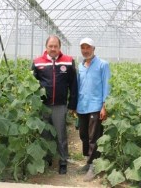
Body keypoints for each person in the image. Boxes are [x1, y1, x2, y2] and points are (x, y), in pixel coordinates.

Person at [32, 35, 78, 175]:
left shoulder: (69, 62)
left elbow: (73, 84)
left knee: (60, 134)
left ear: (59, 47)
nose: (53, 49)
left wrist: (72, 104)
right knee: (45, 133)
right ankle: (48, 158)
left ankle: (63, 161)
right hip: (43, 105)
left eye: (55, 46)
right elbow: (31, 83)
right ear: (46, 47)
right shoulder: (37, 62)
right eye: (50, 46)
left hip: (60, 105)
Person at [76, 37, 110, 182]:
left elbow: (107, 85)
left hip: (96, 106)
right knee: (83, 135)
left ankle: (93, 165)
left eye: (88, 47)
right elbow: (78, 86)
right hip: (82, 106)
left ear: (93, 49)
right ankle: (88, 161)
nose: (85, 50)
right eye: (83, 48)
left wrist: (104, 105)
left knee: (93, 137)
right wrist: (75, 105)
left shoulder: (103, 65)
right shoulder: (80, 66)